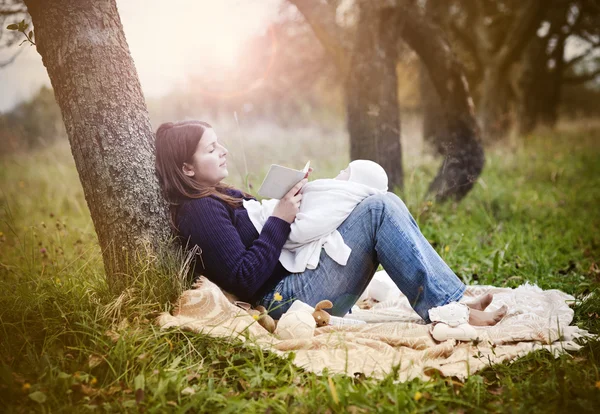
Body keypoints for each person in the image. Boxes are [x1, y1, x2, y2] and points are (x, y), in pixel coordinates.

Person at [155, 120, 507, 325]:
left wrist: (300, 202)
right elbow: (244, 281)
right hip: (282, 302)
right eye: (211, 149)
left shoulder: (220, 194)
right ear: (187, 168)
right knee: (378, 207)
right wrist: (280, 218)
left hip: (299, 284)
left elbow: (270, 229)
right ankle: (448, 309)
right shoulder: (198, 210)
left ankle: (451, 302)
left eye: (220, 144)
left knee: (378, 203)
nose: (224, 151)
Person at [243, 160, 389, 273]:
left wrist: (281, 222)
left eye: (346, 171)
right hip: (267, 219)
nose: (340, 171)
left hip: (273, 228)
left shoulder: (339, 201)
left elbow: (304, 230)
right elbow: (311, 206)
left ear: (353, 183)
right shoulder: (333, 195)